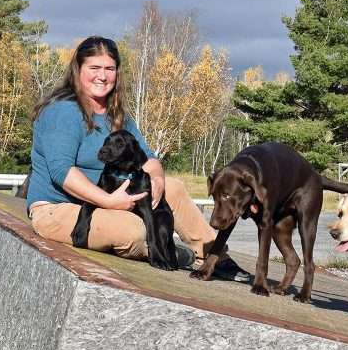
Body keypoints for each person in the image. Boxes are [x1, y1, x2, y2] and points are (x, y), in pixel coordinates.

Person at [26, 35, 249, 281]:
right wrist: (109, 201)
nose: (102, 76)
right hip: (58, 209)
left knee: (173, 188)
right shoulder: (63, 111)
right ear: (78, 69)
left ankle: (215, 256)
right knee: (130, 231)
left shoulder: (117, 115)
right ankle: (169, 253)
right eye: (95, 68)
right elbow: (62, 172)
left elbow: (149, 158)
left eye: (109, 69)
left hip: (107, 200)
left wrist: (157, 180)